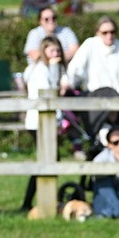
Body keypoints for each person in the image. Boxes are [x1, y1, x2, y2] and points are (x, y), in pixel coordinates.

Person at [20, 35, 71, 211]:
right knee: (48, 160)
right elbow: (48, 93)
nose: (55, 53)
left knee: (50, 159)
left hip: (49, 120)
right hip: (38, 121)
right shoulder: (40, 70)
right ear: (44, 51)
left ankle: (42, 199)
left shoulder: (55, 68)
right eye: (52, 50)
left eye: (58, 50)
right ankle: (35, 201)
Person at [68, 17, 119, 97]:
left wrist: (117, 96)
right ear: (97, 33)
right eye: (105, 33)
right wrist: (68, 84)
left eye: (112, 32)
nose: (109, 35)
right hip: (93, 97)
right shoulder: (89, 45)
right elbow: (75, 69)